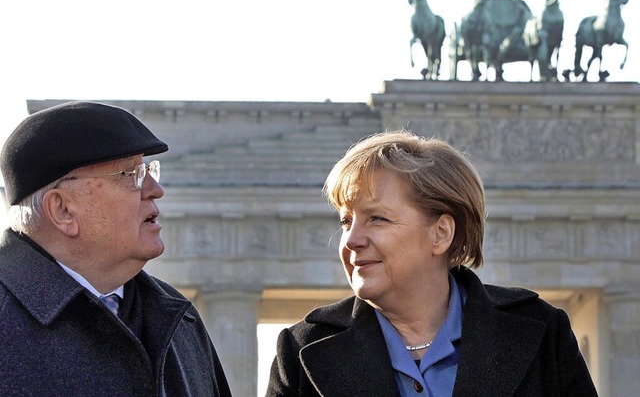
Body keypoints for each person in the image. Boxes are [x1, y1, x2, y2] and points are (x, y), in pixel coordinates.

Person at [265, 130, 598, 396]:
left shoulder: (542, 334)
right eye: (346, 221)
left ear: (440, 233)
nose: (352, 240)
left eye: (377, 218)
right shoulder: (299, 352)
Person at [0, 101, 232, 396]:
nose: (155, 190)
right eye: (130, 175)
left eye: (149, 170)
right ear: (63, 211)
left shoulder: (179, 317)